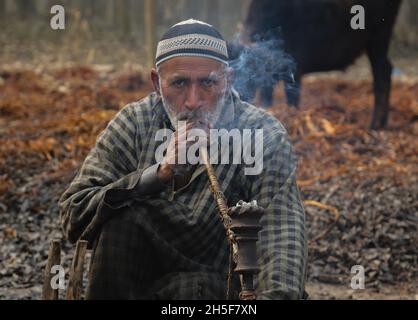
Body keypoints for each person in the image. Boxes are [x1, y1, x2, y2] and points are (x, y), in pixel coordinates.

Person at [59, 19, 307, 300]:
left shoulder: (261, 133)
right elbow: (74, 215)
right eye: (179, 83)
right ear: (156, 82)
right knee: (121, 220)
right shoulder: (135, 124)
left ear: (228, 81)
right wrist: (157, 175)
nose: (193, 101)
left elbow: (283, 232)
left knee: (195, 287)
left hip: (226, 293)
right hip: (138, 287)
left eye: (208, 83)